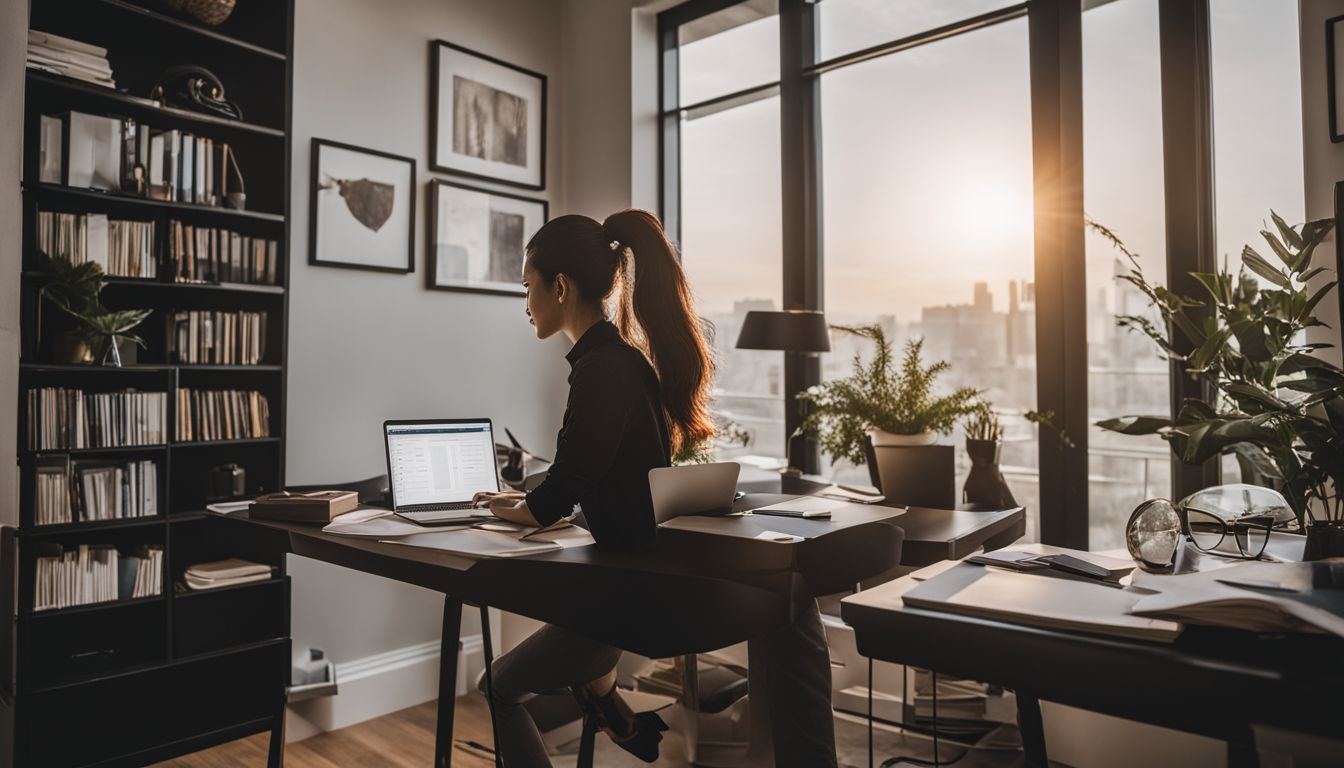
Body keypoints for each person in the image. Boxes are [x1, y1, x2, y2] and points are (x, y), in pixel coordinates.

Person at [473, 209, 837, 767]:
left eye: (528, 288)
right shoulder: (625, 362)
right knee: (578, 658)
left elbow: (558, 497)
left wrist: (509, 510)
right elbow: (596, 480)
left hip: (627, 599)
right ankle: (612, 707)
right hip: (640, 580)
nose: (525, 305)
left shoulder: (600, 370)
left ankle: (607, 700)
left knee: (497, 688)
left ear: (561, 288)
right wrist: (523, 503)